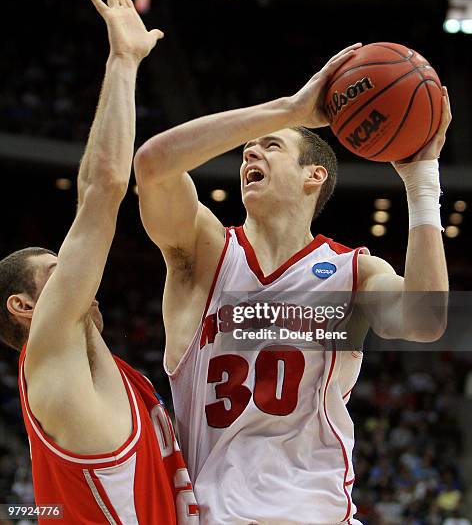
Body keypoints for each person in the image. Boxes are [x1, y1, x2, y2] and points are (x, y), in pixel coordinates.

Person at [134, 43, 450, 524]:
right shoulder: (205, 255)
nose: (251, 151)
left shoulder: (351, 273)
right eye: (248, 148)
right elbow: (152, 167)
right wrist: (288, 111)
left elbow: (426, 320)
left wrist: (422, 182)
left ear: (314, 176)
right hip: (217, 514)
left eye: (272, 144)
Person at [0, 0, 198, 524]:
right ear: (24, 306)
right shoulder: (50, 350)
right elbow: (103, 188)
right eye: (58, 270)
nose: (78, 275)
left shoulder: (116, 375)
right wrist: (124, 62)